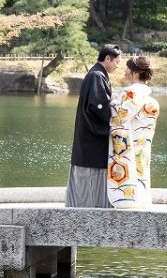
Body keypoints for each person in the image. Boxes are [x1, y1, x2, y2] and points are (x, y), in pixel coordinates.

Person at [66, 44, 122, 208]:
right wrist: (115, 111)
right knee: (91, 183)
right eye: (117, 62)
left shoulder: (96, 74)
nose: (117, 66)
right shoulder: (97, 75)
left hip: (87, 137)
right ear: (107, 58)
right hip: (92, 139)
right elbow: (97, 107)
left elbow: (99, 104)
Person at [107, 56, 160, 209]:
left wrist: (110, 104)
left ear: (136, 72)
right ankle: (141, 199)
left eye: (128, 68)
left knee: (130, 168)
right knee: (141, 169)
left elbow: (118, 118)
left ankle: (128, 200)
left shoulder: (131, 93)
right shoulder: (148, 97)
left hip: (130, 143)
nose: (125, 71)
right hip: (143, 143)